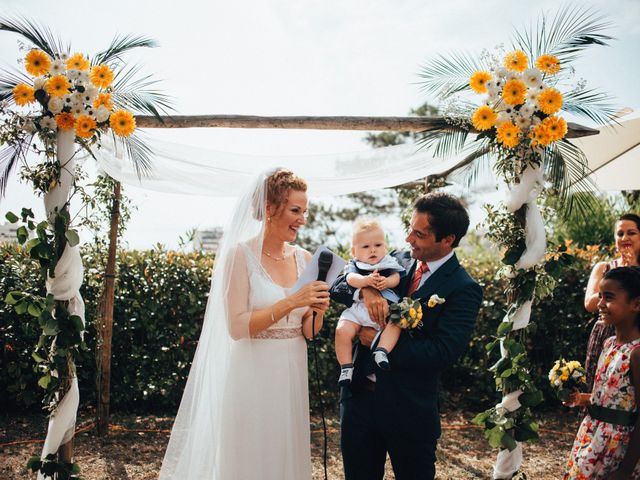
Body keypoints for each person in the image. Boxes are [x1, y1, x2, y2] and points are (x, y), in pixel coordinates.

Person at [159, 168, 330, 479]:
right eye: (295, 210)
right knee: (251, 455)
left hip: (292, 370)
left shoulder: (305, 259)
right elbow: (237, 327)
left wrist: (318, 310)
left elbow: (308, 332)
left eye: (304, 211)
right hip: (252, 372)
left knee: (285, 453)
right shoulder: (240, 256)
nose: (302, 219)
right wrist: (292, 301)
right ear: (269, 209)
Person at [331, 192, 482, 480]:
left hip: (410, 412)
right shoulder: (393, 261)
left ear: (447, 239)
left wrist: (374, 342)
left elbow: (442, 351)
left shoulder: (463, 287)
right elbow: (338, 285)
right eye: (409, 229)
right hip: (359, 401)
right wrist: (367, 289)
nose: (408, 239)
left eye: (419, 234)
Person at [564, 266, 640, 479]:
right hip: (591, 439)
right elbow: (613, 398)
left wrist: (625, 470)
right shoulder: (608, 344)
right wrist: (582, 399)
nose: (599, 304)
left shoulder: (636, 353)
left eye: (609, 297)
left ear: (636, 304)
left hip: (616, 450)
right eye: (600, 296)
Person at [335, 218, 406, 386]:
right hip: (359, 310)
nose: (373, 250)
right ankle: (346, 367)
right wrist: (365, 282)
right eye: (366, 247)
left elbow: (396, 277)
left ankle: (382, 350)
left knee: (397, 322)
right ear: (354, 251)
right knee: (342, 331)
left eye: (378, 245)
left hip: (385, 311)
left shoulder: (388, 261)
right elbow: (351, 279)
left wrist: (387, 282)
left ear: (385, 246)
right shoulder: (355, 265)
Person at [584, 214, 640, 391]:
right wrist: (615, 280)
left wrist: (633, 272)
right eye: (620, 233)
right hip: (605, 334)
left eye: (631, 233)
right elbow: (590, 304)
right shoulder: (603, 268)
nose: (625, 238)